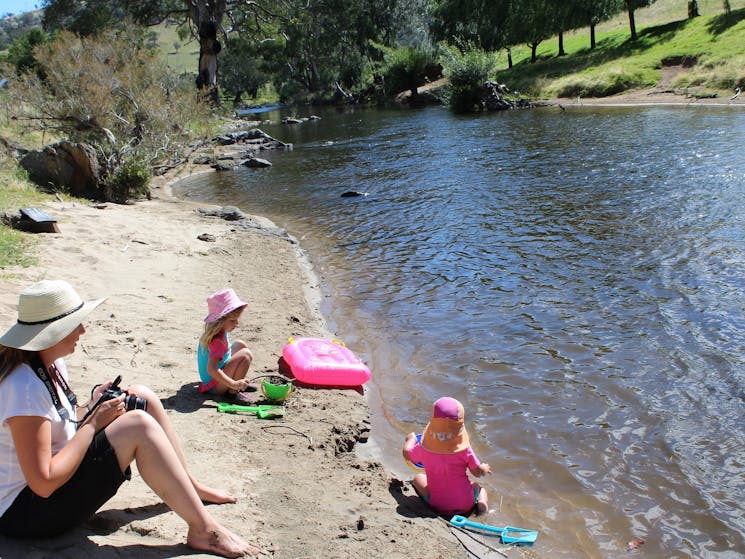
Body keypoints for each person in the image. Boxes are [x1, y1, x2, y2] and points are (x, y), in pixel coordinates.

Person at [0, 279, 261, 557]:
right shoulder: (24, 388)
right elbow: (44, 481)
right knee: (137, 425)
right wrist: (92, 423)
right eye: (75, 324)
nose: (83, 329)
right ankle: (204, 531)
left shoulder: (49, 362)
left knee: (141, 396)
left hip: (50, 486)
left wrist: (91, 405)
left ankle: (191, 486)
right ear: (53, 331)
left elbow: (57, 424)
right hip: (27, 513)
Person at [402, 396, 492, 517]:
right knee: (478, 488)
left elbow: (407, 454)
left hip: (437, 505)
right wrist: (484, 468)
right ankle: (482, 505)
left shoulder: (424, 448)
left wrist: (411, 439)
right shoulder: (465, 450)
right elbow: (477, 472)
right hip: (467, 504)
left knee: (418, 477)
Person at [197, 288, 255, 402]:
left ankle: (238, 384)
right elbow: (212, 369)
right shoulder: (217, 341)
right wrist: (233, 383)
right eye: (232, 320)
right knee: (245, 355)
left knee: (240, 345)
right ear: (220, 321)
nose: (237, 324)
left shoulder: (219, 332)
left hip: (214, 378)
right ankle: (232, 392)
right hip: (215, 386)